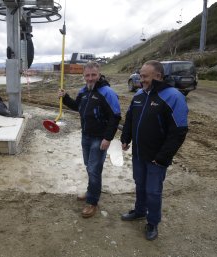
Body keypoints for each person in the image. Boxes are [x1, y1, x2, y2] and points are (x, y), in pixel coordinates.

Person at [120, 60, 189, 241]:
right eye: (140, 75)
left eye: (144, 76)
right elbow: (130, 119)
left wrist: (163, 157)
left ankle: (152, 222)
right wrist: (125, 138)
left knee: (153, 191)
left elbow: (179, 131)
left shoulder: (173, 96)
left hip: (157, 157)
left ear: (158, 76)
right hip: (138, 153)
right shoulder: (139, 95)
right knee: (139, 184)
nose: (140, 80)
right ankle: (140, 211)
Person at [58, 61, 121, 218]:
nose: (90, 78)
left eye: (93, 75)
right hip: (85, 136)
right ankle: (91, 190)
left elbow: (115, 117)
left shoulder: (107, 93)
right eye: (87, 75)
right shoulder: (83, 91)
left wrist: (108, 138)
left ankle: (92, 201)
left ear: (99, 75)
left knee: (94, 169)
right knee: (89, 166)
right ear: (83, 76)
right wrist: (65, 97)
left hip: (99, 139)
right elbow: (76, 106)